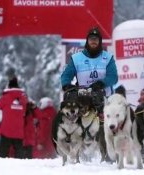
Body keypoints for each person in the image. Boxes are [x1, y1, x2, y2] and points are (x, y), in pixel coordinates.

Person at [60, 27, 118, 162]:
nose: (93, 42)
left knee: (106, 124)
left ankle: (108, 154)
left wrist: (101, 83)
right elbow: (66, 75)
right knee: (72, 117)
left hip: (103, 96)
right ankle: (74, 152)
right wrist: (67, 85)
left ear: (100, 42)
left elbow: (113, 77)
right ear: (87, 41)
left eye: (96, 40)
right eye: (91, 39)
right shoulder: (77, 58)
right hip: (83, 96)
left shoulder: (107, 58)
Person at [0, 77, 28, 158]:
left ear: (9, 87)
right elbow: (24, 112)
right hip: (19, 130)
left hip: (6, 130)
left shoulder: (5, 97)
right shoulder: (23, 98)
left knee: (3, 153)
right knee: (19, 154)